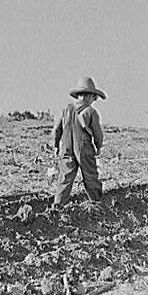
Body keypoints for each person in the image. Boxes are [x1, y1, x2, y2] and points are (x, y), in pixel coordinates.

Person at [52, 76, 106, 207]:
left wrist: (55, 146)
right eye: (94, 97)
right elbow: (98, 133)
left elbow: (56, 130)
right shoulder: (91, 112)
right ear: (88, 96)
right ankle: (96, 204)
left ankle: (57, 207)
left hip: (66, 148)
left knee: (64, 179)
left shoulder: (66, 110)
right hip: (84, 148)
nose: (94, 101)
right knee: (90, 176)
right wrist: (99, 146)